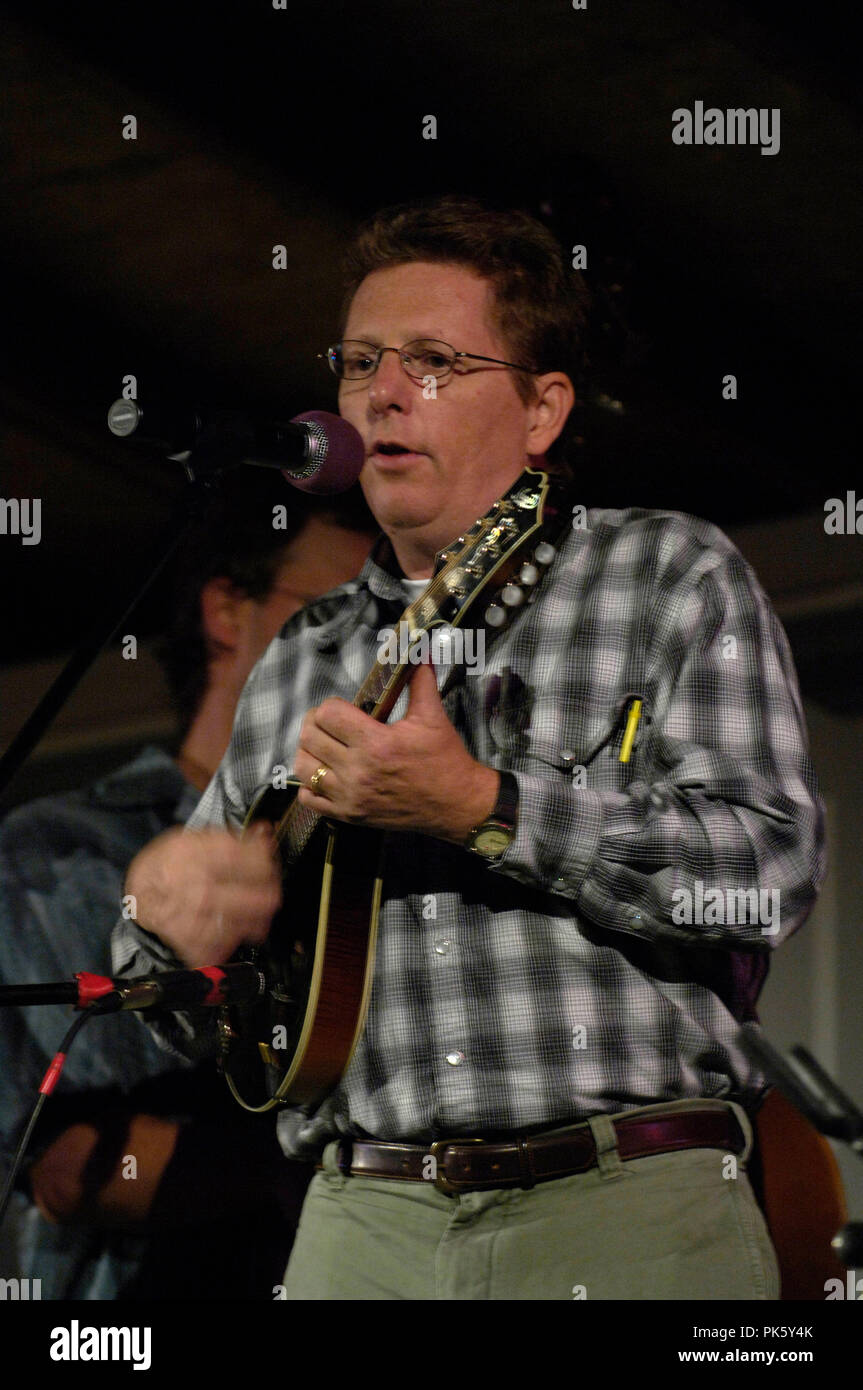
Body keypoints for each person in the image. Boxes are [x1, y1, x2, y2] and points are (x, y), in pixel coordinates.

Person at [115, 196, 825, 1301]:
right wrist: (166, 923)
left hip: (624, 1202)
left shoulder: (667, 573)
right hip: (360, 1214)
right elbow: (177, 997)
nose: (382, 394)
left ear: (542, 410)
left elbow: (766, 870)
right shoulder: (304, 651)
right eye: (360, 363)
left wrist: (484, 807)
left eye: (435, 362)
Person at [0, 474, 374, 1299]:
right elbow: (69, 1165)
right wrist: (353, 1161)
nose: (370, 643)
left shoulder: (373, 853)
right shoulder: (60, 848)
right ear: (227, 611)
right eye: (336, 610)